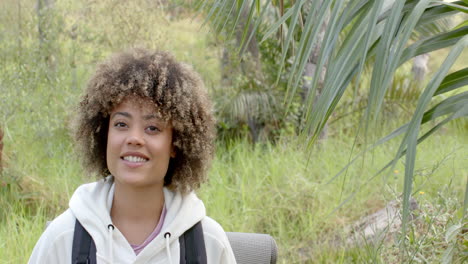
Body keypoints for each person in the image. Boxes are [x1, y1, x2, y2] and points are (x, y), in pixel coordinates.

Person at [28, 49, 237, 264]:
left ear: (176, 143)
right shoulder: (64, 238)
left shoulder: (208, 244)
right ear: (104, 134)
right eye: (121, 124)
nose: (134, 138)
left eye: (153, 128)